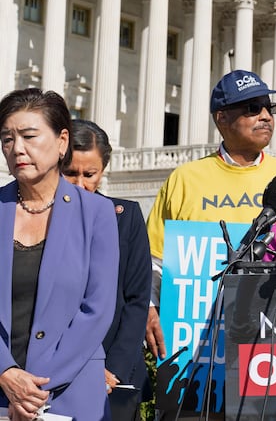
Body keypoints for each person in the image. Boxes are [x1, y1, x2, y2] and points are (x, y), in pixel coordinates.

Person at [144, 70, 276, 411]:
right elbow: (153, 261)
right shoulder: (184, 178)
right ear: (222, 118)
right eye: (252, 108)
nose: (265, 116)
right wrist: (150, 310)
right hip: (194, 349)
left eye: (268, 107)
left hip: (271, 341)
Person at [0, 88, 119, 420]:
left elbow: (97, 310)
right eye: (7, 139)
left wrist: (32, 390)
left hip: (71, 393)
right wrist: (7, 373)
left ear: (62, 141)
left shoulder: (97, 213)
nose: (17, 148)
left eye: (29, 136)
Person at [62, 119, 152, 421]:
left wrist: (113, 368)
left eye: (90, 174)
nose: (80, 185)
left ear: (104, 170)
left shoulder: (126, 217)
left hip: (113, 374)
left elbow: (137, 299)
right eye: (70, 173)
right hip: (54, 370)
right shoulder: (39, 220)